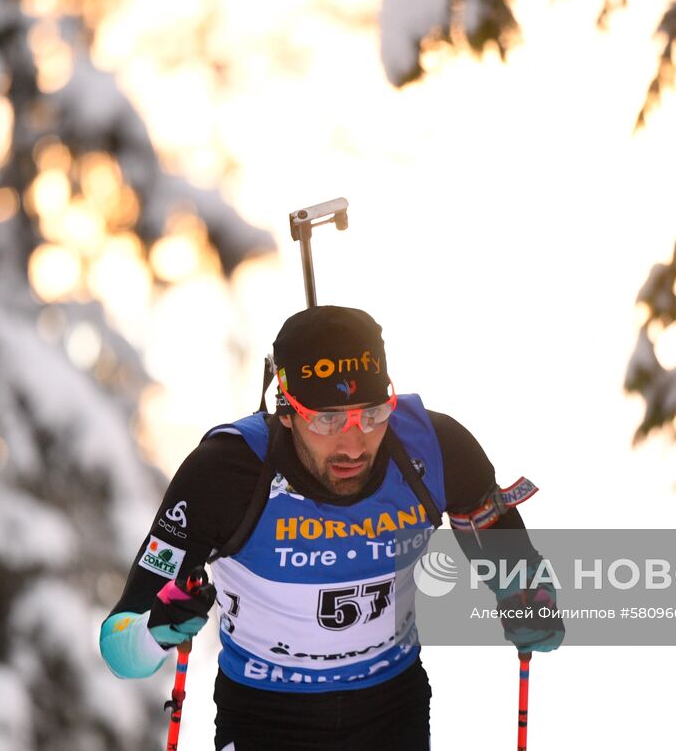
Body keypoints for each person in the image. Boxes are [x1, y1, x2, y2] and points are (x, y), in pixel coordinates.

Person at [99, 306, 562, 750]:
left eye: (374, 414)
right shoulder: (226, 474)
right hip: (265, 720)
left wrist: (532, 607)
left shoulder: (435, 451)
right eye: (327, 419)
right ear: (286, 410)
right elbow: (119, 649)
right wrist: (157, 628)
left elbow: (525, 581)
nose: (354, 443)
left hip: (390, 712)